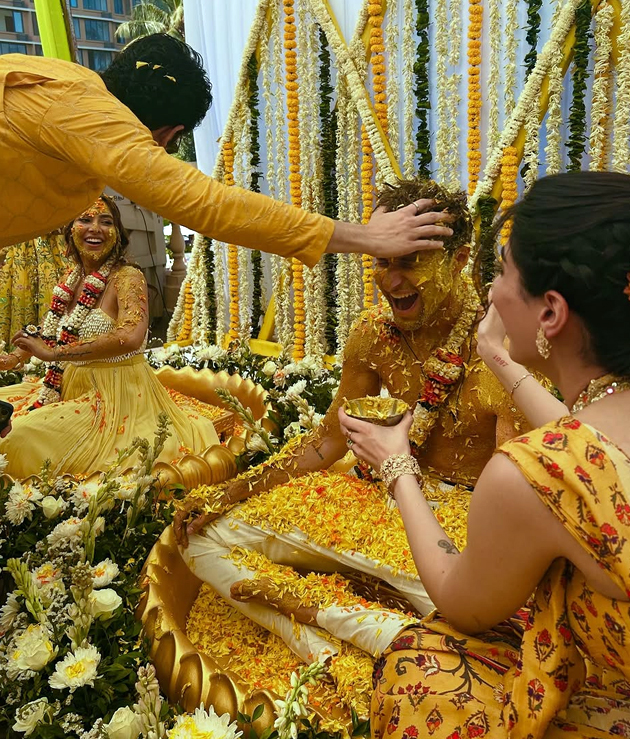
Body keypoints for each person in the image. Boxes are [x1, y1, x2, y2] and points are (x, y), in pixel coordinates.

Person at [337, 171, 630, 739]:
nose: (489, 285)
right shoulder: (603, 433)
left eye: (504, 271)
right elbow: (602, 459)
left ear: (551, 311)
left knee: (418, 665)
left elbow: (458, 600)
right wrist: (502, 359)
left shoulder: (534, 473)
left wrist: (397, 463)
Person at [173, 180, 524, 665]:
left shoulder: (504, 349)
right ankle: (339, 639)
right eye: (383, 261)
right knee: (202, 542)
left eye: (410, 262)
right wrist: (232, 490)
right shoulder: (371, 336)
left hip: (460, 527)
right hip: (373, 500)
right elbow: (329, 440)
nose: (392, 281)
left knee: (485, 617)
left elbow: (517, 499)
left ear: (459, 260)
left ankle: (356, 636)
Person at [0, 34, 450, 267]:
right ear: (169, 135)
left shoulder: (62, 82)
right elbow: (207, 203)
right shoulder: (92, 115)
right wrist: (367, 237)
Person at [0, 195, 221, 478]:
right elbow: (54, 329)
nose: (96, 228)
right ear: (70, 230)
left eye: (106, 222)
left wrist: (54, 354)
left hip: (118, 397)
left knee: (18, 440)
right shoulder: (71, 277)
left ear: (117, 235)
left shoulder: (127, 277)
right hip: (70, 388)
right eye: (85, 220)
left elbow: (129, 336)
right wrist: (14, 357)